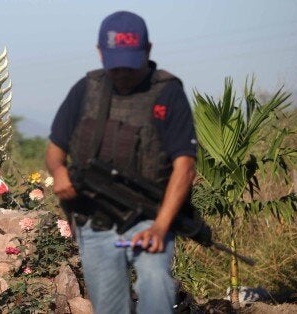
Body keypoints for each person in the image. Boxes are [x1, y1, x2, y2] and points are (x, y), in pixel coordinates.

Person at [45, 11, 197, 314]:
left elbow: (185, 166)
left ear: (148, 51)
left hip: (150, 218)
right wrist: (59, 172)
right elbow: (55, 149)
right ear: (100, 52)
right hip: (97, 221)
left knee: (156, 282)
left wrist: (161, 226)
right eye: (116, 65)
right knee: (111, 308)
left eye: (131, 63)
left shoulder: (168, 93)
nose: (123, 73)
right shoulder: (85, 90)